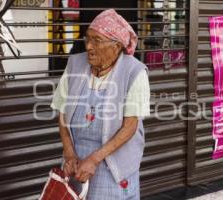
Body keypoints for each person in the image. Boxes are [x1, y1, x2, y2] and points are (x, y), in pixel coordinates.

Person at [51, 9, 150, 200]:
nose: (89, 46)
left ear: (116, 46)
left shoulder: (134, 72)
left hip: (113, 162)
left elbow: (130, 126)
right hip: (77, 161)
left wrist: (95, 159)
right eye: (87, 39)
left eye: (97, 41)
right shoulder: (75, 64)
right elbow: (62, 113)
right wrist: (69, 153)